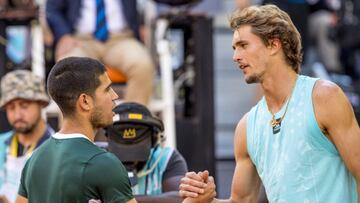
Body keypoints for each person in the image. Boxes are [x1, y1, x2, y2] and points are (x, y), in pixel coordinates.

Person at [179, 4, 360, 203]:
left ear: (274, 45)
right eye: (234, 48)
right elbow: (241, 201)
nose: (235, 56)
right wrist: (207, 200)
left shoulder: (324, 97)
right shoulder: (246, 127)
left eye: (243, 45)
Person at [15, 57, 137, 203]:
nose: (114, 96)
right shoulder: (104, 164)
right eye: (107, 89)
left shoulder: (33, 160)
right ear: (85, 101)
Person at [46, 0, 154, 106]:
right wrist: (64, 35)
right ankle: (77, 123)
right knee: (68, 68)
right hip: (80, 39)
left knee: (142, 65)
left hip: (121, 38)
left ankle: (134, 121)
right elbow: (53, 9)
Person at [103, 102, 188, 203]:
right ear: (107, 138)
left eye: (136, 149)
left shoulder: (167, 158)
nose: (129, 158)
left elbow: (182, 198)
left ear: (154, 139)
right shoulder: (94, 159)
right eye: (123, 149)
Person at [0, 70, 54, 203]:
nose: (17, 115)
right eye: (11, 108)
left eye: (24, 106)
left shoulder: (57, 151)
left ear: (41, 103)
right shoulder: (1, 144)